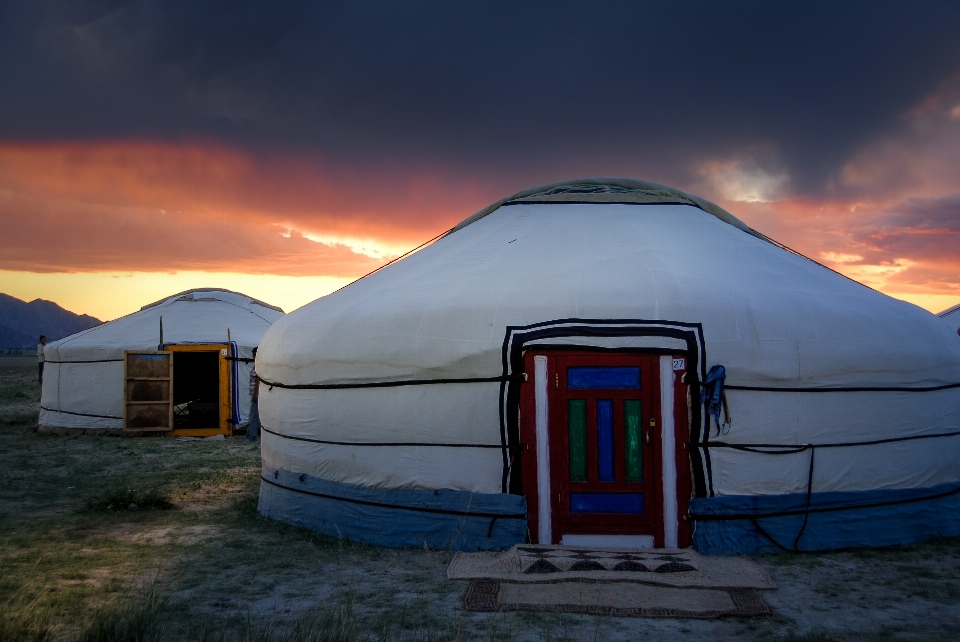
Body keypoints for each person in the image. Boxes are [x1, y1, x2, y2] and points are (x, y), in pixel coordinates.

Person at [245, 346, 261, 443]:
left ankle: (252, 437)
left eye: (254, 354)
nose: (252, 356)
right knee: (253, 416)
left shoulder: (259, 367)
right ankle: (250, 436)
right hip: (255, 395)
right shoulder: (256, 365)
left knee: (254, 416)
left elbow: (258, 381)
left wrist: (255, 394)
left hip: (258, 396)